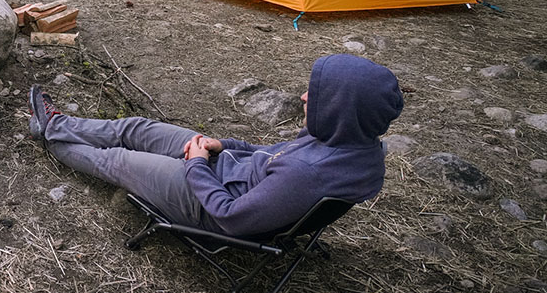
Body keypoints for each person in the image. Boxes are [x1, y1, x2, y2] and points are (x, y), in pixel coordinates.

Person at [27, 54, 402, 238]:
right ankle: (59, 123)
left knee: (118, 161)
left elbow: (232, 217)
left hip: (207, 201)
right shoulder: (349, 143)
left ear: (342, 109)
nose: (304, 97)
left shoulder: (309, 174)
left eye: (318, 95)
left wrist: (196, 164)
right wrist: (223, 145)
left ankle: (50, 137)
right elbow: (271, 154)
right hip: (222, 168)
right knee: (139, 127)